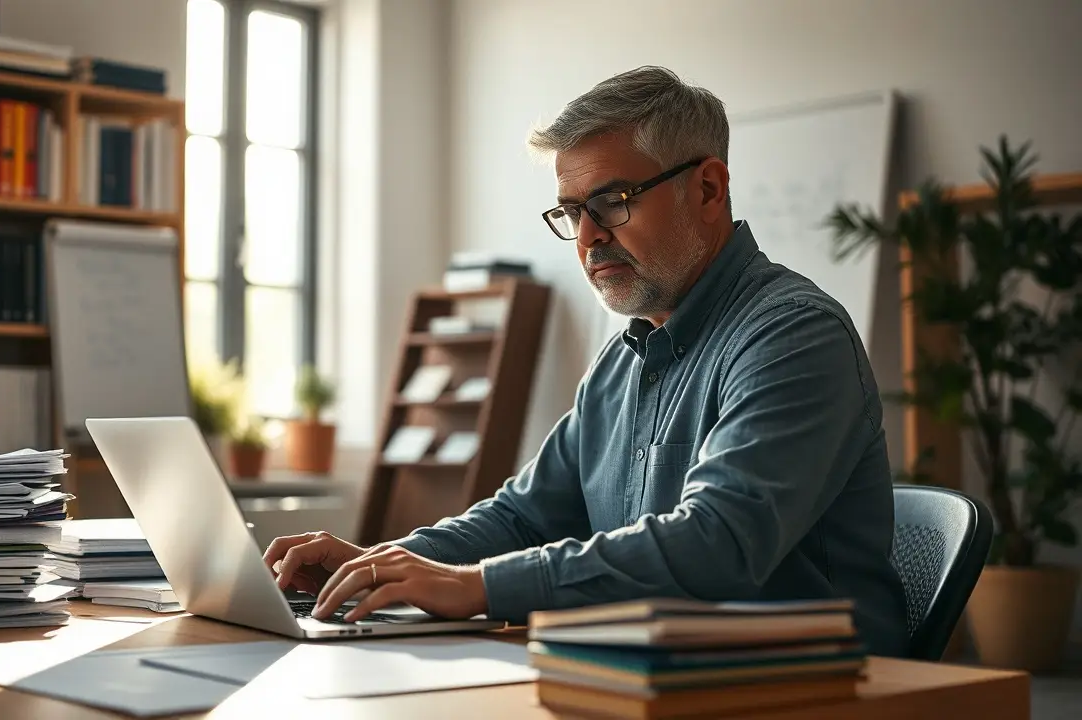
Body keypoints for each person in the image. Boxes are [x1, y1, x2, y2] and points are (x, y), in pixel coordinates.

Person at [263, 66, 909, 656]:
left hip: (817, 692)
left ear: (708, 189)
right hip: (653, 677)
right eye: (573, 213)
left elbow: (714, 545)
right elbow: (523, 516)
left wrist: (478, 585)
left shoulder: (794, 335)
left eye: (612, 203)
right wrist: (383, 562)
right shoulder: (618, 364)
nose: (589, 237)